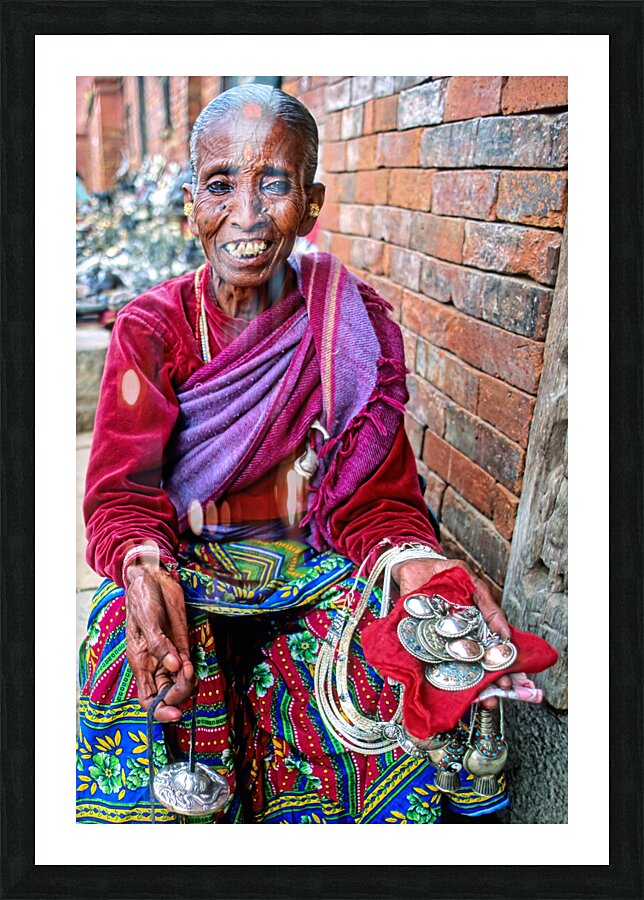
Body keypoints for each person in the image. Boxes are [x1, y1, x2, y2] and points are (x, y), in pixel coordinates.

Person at [77, 84, 512, 824]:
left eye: (273, 183)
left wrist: (412, 559)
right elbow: (122, 491)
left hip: (313, 565)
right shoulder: (150, 329)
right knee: (125, 637)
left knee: (413, 644)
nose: (246, 213)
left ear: (310, 204)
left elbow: (375, 497)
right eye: (221, 185)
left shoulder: (348, 320)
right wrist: (143, 564)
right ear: (190, 205)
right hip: (193, 565)